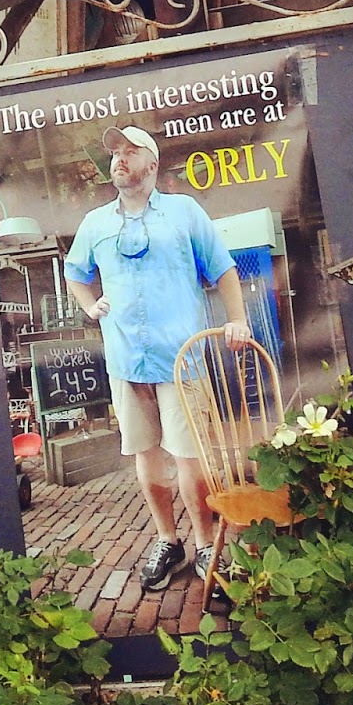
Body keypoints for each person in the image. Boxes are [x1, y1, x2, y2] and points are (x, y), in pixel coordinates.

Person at [63, 123, 252, 592]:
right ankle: (169, 541)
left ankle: (206, 542)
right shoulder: (95, 224)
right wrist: (90, 306)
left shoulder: (184, 213)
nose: (119, 159)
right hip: (126, 358)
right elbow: (75, 274)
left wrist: (237, 319)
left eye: (131, 151)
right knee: (146, 455)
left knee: (190, 456)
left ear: (153, 162)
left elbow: (223, 268)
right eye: (114, 154)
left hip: (181, 355)